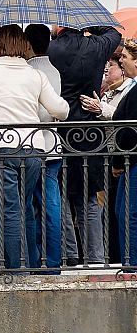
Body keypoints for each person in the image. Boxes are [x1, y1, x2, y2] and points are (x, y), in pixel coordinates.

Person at [0, 24, 69, 270]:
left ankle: (15, 269)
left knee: (6, 209)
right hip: (32, 148)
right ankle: (30, 262)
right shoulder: (35, 75)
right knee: (24, 207)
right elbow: (61, 110)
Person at [50, 24, 123, 266]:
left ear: (59, 24)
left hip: (62, 129)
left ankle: (69, 254)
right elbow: (115, 34)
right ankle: (95, 257)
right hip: (91, 131)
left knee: (60, 195)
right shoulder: (97, 45)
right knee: (90, 198)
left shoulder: (54, 49)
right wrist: (91, 26)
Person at [24, 23, 68, 270]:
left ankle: (34, 258)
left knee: (31, 204)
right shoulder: (54, 70)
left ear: (27, 44)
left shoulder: (30, 71)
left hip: (33, 145)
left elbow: (40, 113)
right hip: (53, 145)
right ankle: (53, 259)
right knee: (51, 204)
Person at [104, 42, 137, 264]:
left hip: (131, 161)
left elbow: (129, 130)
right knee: (121, 211)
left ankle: (132, 264)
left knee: (129, 214)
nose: (121, 60)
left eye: (124, 56)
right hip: (127, 161)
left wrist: (117, 161)